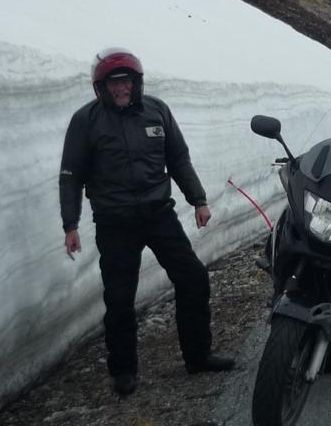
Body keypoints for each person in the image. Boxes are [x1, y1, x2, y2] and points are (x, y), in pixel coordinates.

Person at [59, 47, 236, 395]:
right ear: (101, 88)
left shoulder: (157, 112)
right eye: (113, 84)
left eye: (126, 82)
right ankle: (123, 372)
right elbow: (71, 175)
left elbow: (179, 159)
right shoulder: (86, 121)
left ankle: (198, 356)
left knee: (193, 278)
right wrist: (71, 224)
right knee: (120, 297)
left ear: (137, 83)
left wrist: (198, 199)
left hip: (159, 215)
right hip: (114, 222)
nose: (121, 89)